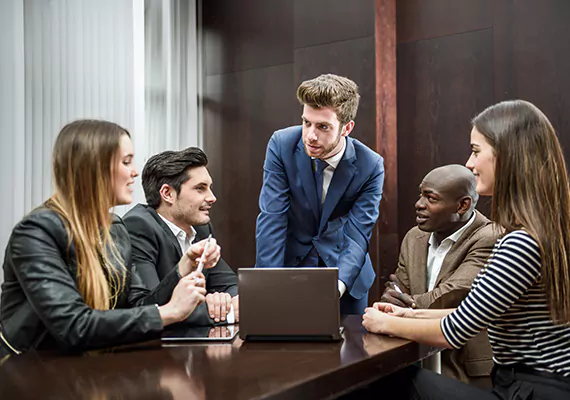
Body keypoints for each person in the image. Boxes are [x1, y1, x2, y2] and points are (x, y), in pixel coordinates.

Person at [363, 100, 570, 399]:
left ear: (507, 155)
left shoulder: (521, 242)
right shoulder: (546, 231)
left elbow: (454, 331)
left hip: (527, 392)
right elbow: (470, 312)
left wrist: (385, 323)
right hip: (539, 388)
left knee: (382, 379)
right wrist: (406, 315)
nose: (469, 164)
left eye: (475, 151)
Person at [0, 120, 220, 357]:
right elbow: (73, 326)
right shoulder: (36, 232)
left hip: (91, 369)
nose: (135, 171)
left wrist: (182, 267)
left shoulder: (115, 228)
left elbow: (138, 307)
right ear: (93, 168)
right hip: (30, 373)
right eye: (126, 162)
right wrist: (169, 312)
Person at [255, 73, 384, 315]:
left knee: (350, 352)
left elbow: (357, 235)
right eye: (306, 123)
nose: (310, 135)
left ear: (347, 128)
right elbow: (272, 217)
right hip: (290, 271)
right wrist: (267, 283)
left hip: (345, 278)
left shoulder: (371, 165)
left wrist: (336, 287)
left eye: (323, 127)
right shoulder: (282, 145)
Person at [381, 164, 497, 387]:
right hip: (413, 359)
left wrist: (400, 309)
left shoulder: (490, 237)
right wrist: (394, 300)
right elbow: (397, 291)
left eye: (430, 198)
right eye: (420, 195)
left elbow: (453, 294)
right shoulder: (414, 237)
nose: (418, 204)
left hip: (465, 368)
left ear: (462, 205)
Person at [123, 148, 238, 325]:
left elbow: (231, 284)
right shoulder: (138, 226)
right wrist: (225, 313)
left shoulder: (202, 229)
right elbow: (147, 307)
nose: (212, 197)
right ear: (167, 193)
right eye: (200, 189)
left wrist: (221, 300)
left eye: (210, 188)